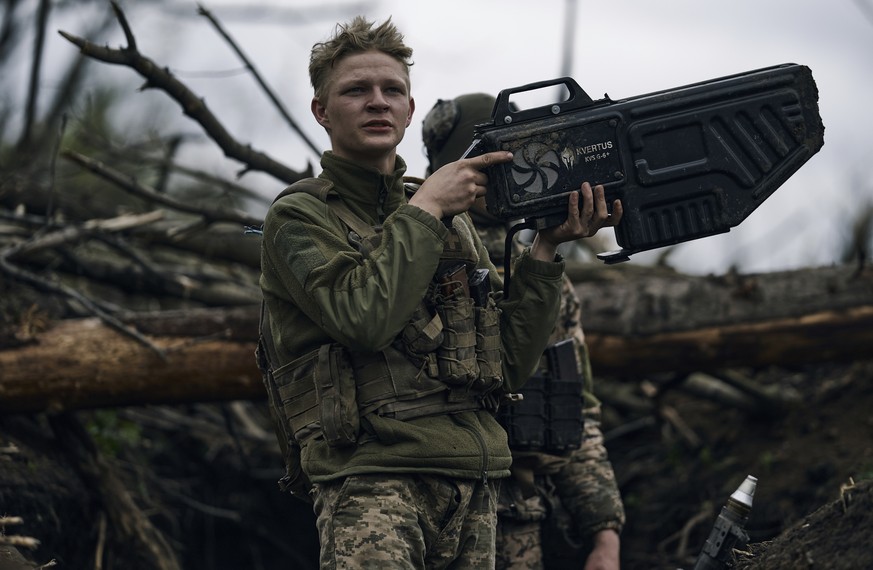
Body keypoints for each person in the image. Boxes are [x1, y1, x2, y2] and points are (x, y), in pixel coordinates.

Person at [258, 16, 621, 569]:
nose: (378, 102)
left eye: (392, 90)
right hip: (374, 481)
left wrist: (546, 249)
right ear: (321, 111)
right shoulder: (300, 216)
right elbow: (363, 319)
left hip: (475, 483)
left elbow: (504, 368)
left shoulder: (450, 221)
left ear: (408, 108)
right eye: (356, 90)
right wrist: (426, 207)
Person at [422, 93, 626, 570]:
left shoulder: (540, 268)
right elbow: (582, 415)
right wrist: (604, 535)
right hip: (430, 513)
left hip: (506, 519)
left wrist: (604, 532)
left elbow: (570, 410)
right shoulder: (410, 255)